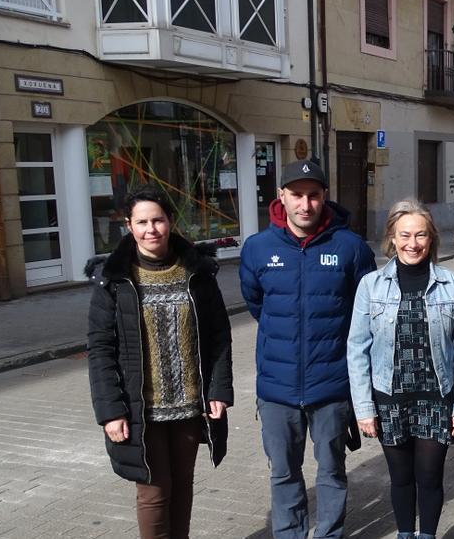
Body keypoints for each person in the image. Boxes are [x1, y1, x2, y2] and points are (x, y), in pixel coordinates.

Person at [87, 186, 234, 539]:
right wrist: (111, 411)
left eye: (158, 220)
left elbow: (219, 336)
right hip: (141, 409)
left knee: (182, 486)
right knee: (153, 492)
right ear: (129, 225)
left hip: (188, 405)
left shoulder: (196, 272)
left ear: (170, 221)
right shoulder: (114, 279)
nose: (151, 229)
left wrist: (217, 389)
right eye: (142, 222)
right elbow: (100, 348)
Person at [240, 159, 377, 539]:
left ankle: (330, 534)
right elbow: (257, 304)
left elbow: (363, 313)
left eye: (313, 195)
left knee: (332, 471)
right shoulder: (257, 249)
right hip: (277, 389)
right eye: (296, 195)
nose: (305, 204)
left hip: (332, 386)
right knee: (283, 473)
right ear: (281, 196)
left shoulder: (350, 248)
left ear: (324, 197)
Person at [347, 199, 454, 539]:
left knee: (430, 476)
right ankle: (406, 533)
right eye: (404, 235)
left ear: (431, 239)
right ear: (391, 237)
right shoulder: (370, 286)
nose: (413, 244)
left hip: (436, 399)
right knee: (401, 478)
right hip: (390, 399)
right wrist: (363, 408)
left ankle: (428, 535)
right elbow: (357, 350)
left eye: (420, 235)